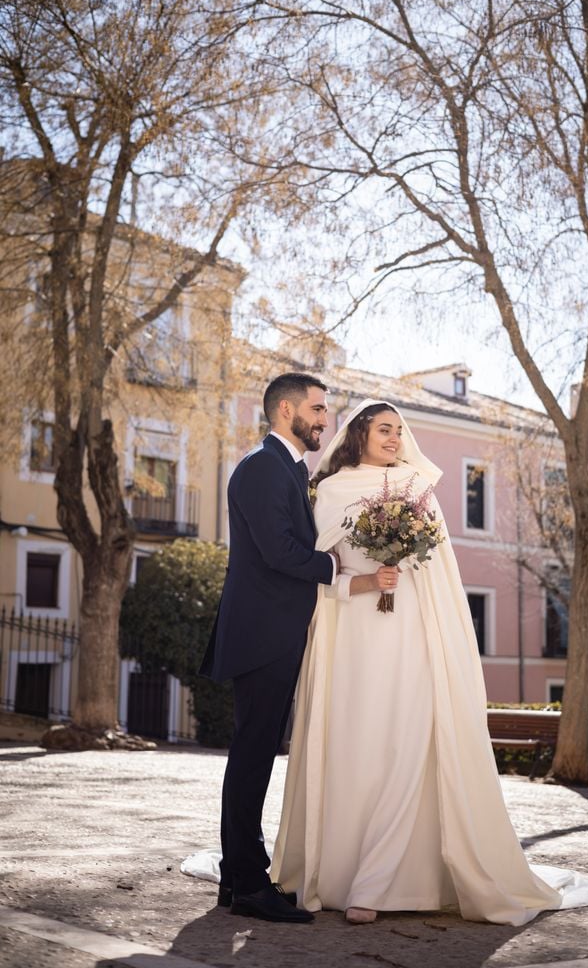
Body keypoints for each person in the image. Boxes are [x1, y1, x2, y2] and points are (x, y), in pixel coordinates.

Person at [270, 398, 588, 926]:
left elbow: (440, 574)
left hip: (411, 636)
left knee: (406, 745)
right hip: (353, 639)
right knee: (357, 750)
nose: (395, 438)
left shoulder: (416, 489)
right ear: (358, 434)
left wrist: (421, 602)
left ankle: (375, 884)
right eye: (384, 429)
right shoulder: (328, 492)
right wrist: (367, 580)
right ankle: (339, 872)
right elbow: (319, 575)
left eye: (399, 430)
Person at [198, 372, 338, 924]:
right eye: (318, 408)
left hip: (272, 633)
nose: (325, 419)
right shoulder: (262, 467)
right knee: (252, 757)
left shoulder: (283, 468)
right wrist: (334, 566)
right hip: (262, 636)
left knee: (254, 757)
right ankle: (250, 886)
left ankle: (238, 880)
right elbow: (280, 551)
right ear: (285, 410)